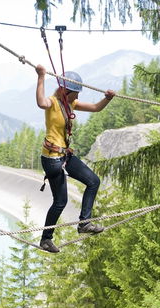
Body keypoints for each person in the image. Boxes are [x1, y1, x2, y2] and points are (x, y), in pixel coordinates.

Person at [35, 64, 116, 253]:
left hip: (64, 155)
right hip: (52, 159)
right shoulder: (53, 102)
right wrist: (40, 77)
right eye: (76, 93)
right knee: (60, 202)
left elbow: (96, 108)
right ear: (66, 90)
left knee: (93, 181)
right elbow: (40, 102)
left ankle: (84, 223)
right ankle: (46, 240)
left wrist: (108, 98)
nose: (78, 97)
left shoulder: (70, 103)